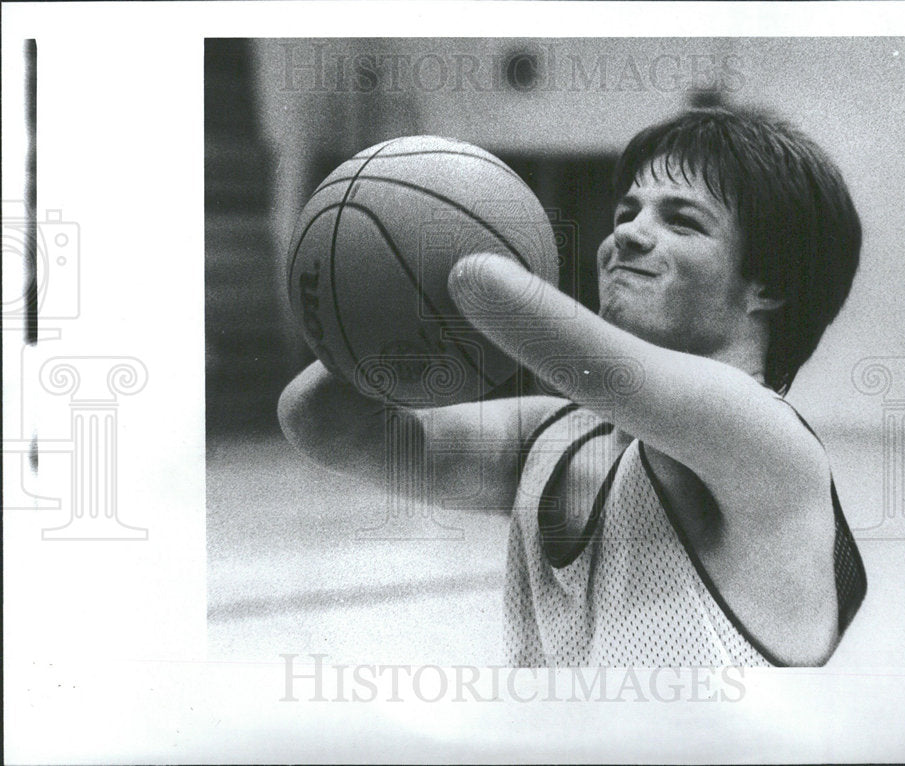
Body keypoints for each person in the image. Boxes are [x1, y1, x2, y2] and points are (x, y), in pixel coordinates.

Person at [278, 103, 867, 667]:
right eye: (626, 213)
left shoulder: (771, 447)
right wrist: (367, 301)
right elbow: (320, 421)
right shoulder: (553, 435)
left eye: (682, 221)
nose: (627, 236)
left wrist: (440, 240)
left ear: (770, 285)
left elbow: (488, 285)